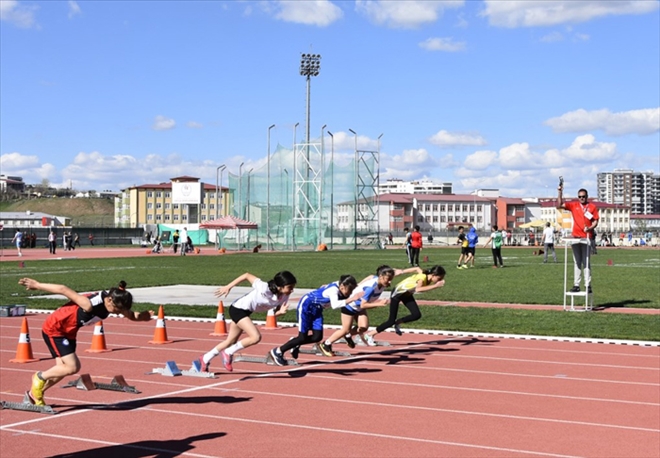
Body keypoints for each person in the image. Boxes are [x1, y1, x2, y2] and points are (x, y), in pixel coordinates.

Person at [19, 278, 153, 406]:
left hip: (69, 332)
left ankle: (33, 394)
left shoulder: (115, 301)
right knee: (72, 367)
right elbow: (63, 289)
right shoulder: (89, 304)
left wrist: (143, 317)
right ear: (110, 300)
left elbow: (131, 315)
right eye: (117, 310)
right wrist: (37, 285)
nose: (118, 313)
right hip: (55, 328)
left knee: (62, 370)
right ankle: (39, 377)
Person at [199, 271, 297, 372]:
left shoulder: (285, 296)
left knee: (230, 341)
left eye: (293, 287)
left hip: (246, 312)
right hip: (237, 309)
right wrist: (228, 286)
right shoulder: (263, 287)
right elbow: (246, 275)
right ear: (280, 286)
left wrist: (280, 312)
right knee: (255, 337)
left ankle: (205, 359)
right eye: (290, 287)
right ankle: (228, 352)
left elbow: (274, 314)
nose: (292, 290)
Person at [323, 265, 420, 350]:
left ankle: (347, 336)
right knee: (345, 329)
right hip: (350, 306)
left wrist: (415, 269)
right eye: (388, 279)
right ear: (381, 277)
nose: (390, 281)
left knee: (363, 327)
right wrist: (379, 303)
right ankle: (326, 344)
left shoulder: (379, 278)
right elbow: (363, 305)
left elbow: (396, 272)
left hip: (359, 307)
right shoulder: (371, 289)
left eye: (391, 279)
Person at [270, 275, 360, 364]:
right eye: (349, 290)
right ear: (342, 287)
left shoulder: (341, 284)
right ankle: (278, 351)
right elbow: (335, 305)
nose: (350, 293)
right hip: (306, 306)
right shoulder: (333, 290)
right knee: (302, 337)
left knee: (317, 337)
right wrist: (352, 299)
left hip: (317, 309)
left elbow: (327, 286)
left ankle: (295, 342)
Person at [366, 265, 446, 339]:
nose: (440, 280)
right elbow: (418, 289)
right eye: (439, 278)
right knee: (390, 321)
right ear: (433, 275)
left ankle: (397, 323)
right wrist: (435, 286)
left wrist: (402, 271)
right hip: (397, 294)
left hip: (407, 294)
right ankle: (369, 335)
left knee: (416, 315)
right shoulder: (422, 278)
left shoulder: (424, 275)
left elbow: (417, 268)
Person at [557, 185, 599, 293]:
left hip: (586, 237)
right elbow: (559, 205)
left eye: (583, 196)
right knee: (577, 262)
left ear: (587, 196)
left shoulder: (592, 207)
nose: (581, 198)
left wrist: (589, 228)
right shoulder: (574, 205)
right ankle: (576, 284)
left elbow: (595, 221)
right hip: (575, 237)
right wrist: (560, 192)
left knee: (586, 262)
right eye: (580, 196)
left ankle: (587, 285)